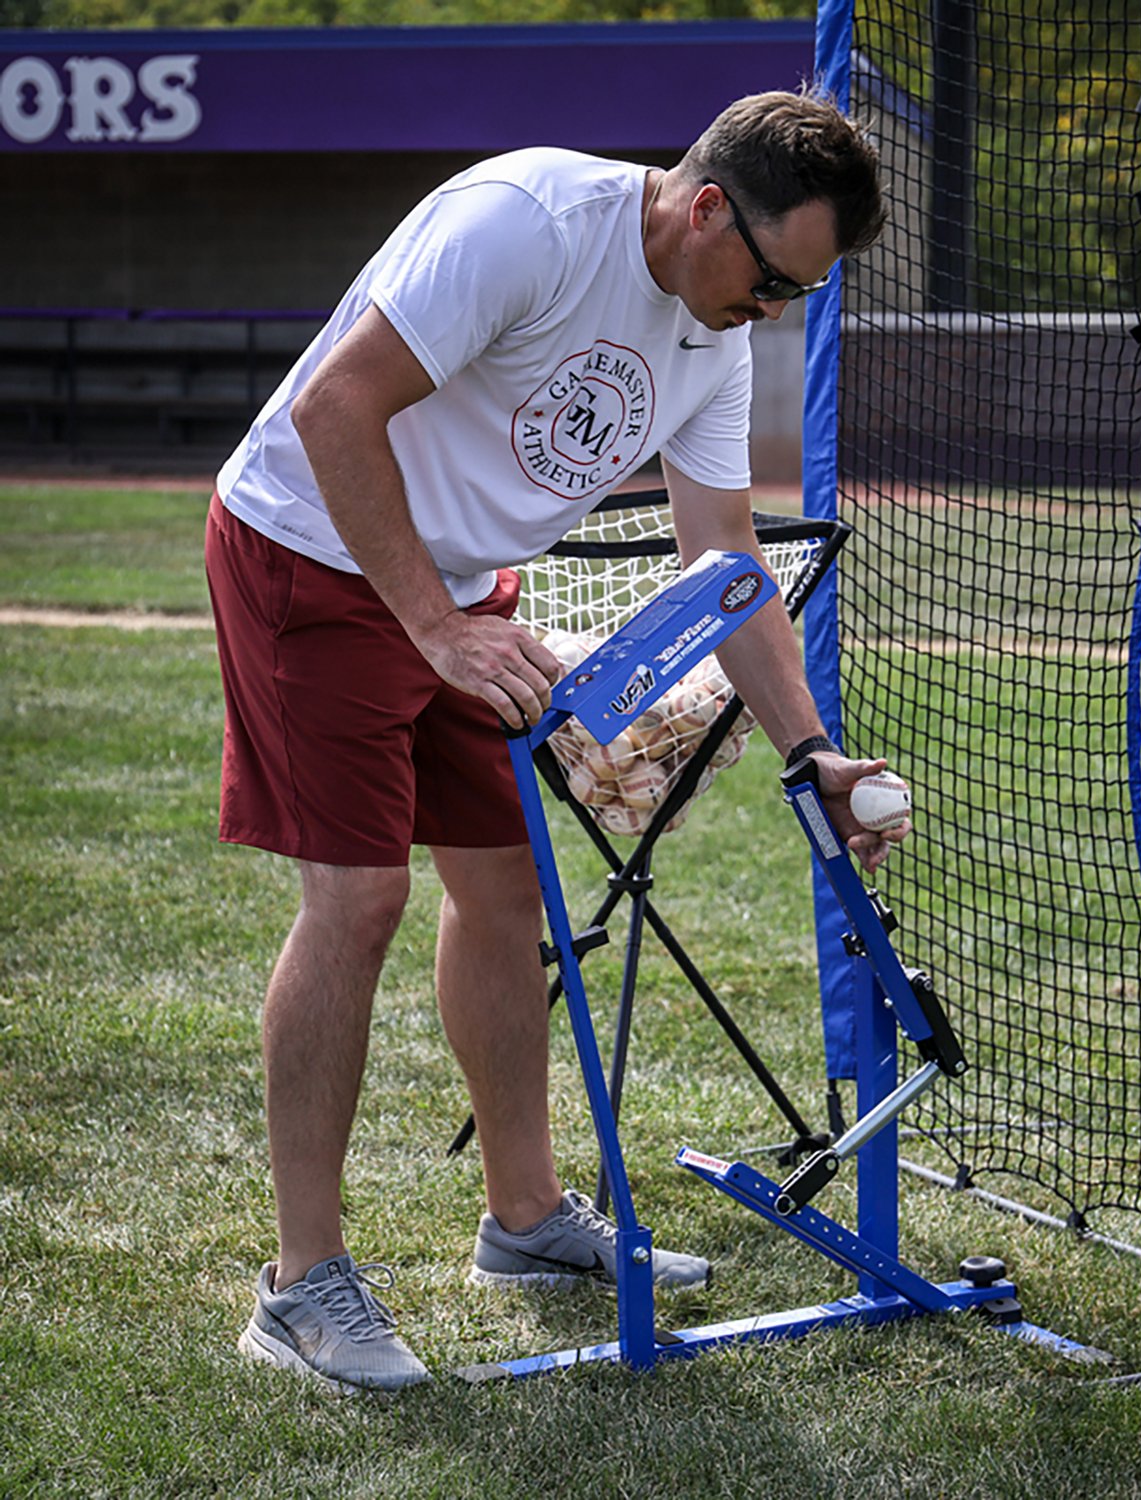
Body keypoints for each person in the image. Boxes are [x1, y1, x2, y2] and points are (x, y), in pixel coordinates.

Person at [205, 86, 906, 1394]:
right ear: (707, 209)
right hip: (308, 549)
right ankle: (300, 1288)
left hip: (462, 594)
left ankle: (523, 1222)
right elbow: (334, 411)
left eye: (790, 299)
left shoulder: (711, 335)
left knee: (504, 883)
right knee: (357, 902)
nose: (768, 315)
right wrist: (434, 626)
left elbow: (726, 565)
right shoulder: (525, 222)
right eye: (767, 284)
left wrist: (814, 754)